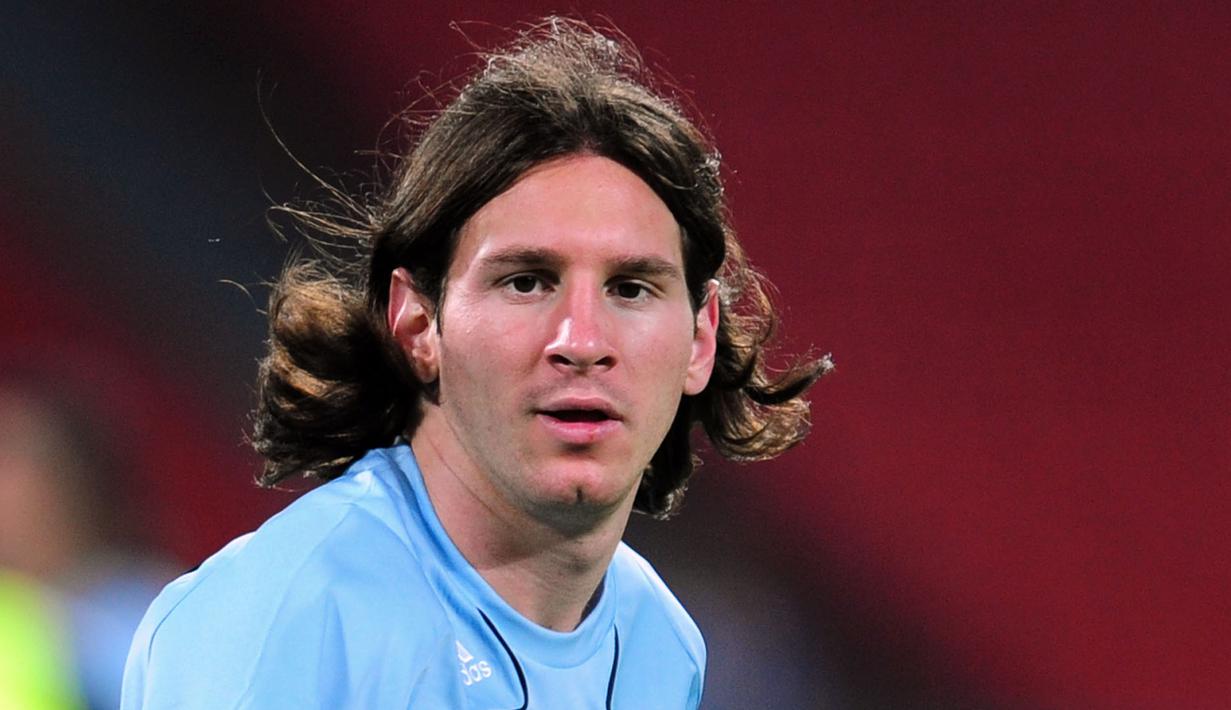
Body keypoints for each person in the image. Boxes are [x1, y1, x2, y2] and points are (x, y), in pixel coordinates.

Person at [122, 18, 828, 709]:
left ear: (700, 341)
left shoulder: (660, 645)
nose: (581, 341)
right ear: (418, 322)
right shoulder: (290, 619)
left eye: (630, 288)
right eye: (525, 281)